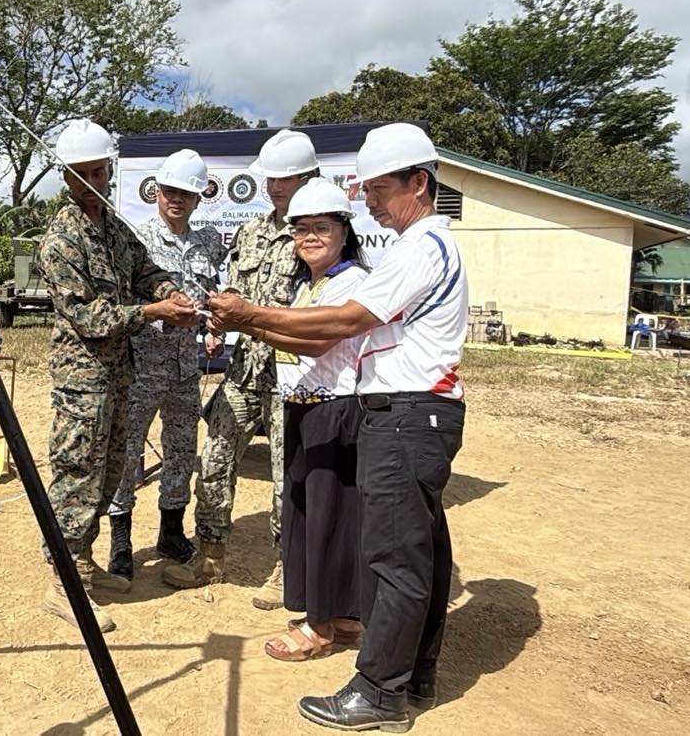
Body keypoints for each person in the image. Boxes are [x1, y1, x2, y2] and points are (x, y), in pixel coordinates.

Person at [209, 123, 467, 731]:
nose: (370, 200)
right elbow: (327, 327)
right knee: (418, 553)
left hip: (405, 413)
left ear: (418, 183)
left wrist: (247, 312)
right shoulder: (417, 247)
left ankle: (381, 691)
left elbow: (344, 321)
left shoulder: (421, 249)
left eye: (378, 188)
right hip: (407, 413)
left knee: (394, 559)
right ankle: (414, 673)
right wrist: (250, 323)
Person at [37, 118, 200, 633]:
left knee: (110, 471)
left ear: (110, 170)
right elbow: (90, 316)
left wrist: (170, 288)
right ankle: (63, 583)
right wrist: (154, 312)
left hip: (118, 376)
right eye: (80, 175)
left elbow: (144, 268)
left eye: (98, 172)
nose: (91, 183)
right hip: (82, 379)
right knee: (75, 475)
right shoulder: (60, 242)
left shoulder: (110, 224)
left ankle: (84, 564)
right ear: (65, 177)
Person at [163, 129, 318, 611]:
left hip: (293, 376)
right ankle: (209, 557)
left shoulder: (319, 234)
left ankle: (285, 568)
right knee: (213, 461)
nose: (274, 187)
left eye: (284, 179)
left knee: (287, 475)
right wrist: (216, 322)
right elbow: (230, 288)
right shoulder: (251, 231)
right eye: (269, 179)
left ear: (310, 177)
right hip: (244, 369)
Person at [257, 179, 370, 663]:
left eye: (321, 227)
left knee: (326, 519)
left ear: (344, 231)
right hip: (303, 406)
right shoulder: (305, 284)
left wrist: (250, 321)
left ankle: (318, 628)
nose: (309, 238)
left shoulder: (352, 282)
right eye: (300, 229)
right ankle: (343, 614)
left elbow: (318, 341)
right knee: (315, 513)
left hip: (334, 409)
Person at [107, 149, 227, 583]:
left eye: (187, 193)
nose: (177, 199)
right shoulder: (135, 241)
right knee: (127, 450)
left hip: (185, 368)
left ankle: (171, 531)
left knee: (182, 449)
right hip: (141, 365)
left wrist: (215, 329)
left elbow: (212, 294)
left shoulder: (208, 242)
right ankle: (120, 538)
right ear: (157, 192)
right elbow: (123, 302)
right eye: (171, 191)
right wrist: (159, 310)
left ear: (199, 198)